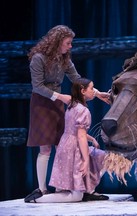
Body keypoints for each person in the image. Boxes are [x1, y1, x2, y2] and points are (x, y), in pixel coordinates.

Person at [25, 25, 110, 199]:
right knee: (45, 147)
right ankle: (41, 190)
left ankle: (70, 186)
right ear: (57, 42)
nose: (70, 46)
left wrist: (97, 93)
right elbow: (37, 86)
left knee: (64, 144)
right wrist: (61, 97)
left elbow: (78, 80)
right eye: (68, 43)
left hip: (58, 102)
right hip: (41, 104)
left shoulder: (64, 60)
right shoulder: (38, 58)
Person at [25, 78, 109, 202]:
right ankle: (39, 199)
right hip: (73, 148)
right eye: (92, 88)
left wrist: (91, 139)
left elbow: (75, 130)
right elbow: (80, 136)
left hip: (65, 145)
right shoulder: (83, 110)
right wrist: (85, 160)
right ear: (83, 91)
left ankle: (88, 190)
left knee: (102, 157)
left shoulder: (72, 104)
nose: (93, 92)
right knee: (77, 196)